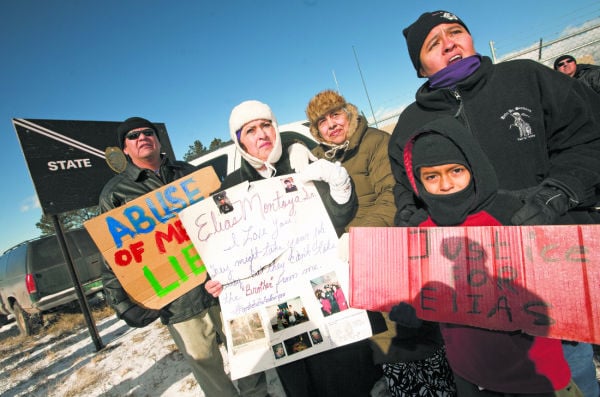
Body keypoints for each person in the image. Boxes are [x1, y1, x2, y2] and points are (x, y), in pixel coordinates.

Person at [389, 10, 600, 397]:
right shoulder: (409, 123)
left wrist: (559, 192)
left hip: (552, 268)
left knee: (571, 375)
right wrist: (409, 219)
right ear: (420, 67)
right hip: (474, 295)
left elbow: (589, 139)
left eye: (455, 32)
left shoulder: (526, 78)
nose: (449, 42)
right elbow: (406, 189)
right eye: (433, 44)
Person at [205, 99, 384, 397]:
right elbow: (221, 249)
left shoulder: (301, 164)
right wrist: (215, 280)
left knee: (348, 373)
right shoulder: (231, 190)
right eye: (251, 130)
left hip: (322, 290)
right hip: (278, 304)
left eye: (266, 125)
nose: (262, 134)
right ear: (239, 140)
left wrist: (338, 186)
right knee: (301, 376)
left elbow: (339, 215)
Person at [394, 116, 582, 396]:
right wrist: (412, 304)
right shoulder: (421, 230)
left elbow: (565, 279)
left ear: (474, 166)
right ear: (418, 182)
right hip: (470, 375)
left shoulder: (513, 214)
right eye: (432, 176)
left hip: (537, 376)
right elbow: (420, 285)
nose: (446, 184)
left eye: (456, 170)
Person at [99, 116, 268, 397]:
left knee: (250, 352)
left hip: (222, 285)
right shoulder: (116, 194)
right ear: (125, 149)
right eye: (133, 136)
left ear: (158, 139)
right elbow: (111, 254)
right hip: (179, 302)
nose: (142, 137)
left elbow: (224, 215)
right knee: (209, 371)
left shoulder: (190, 173)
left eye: (147, 132)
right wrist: (122, 303)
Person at [306, 89, 455, 396]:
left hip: (386, 251)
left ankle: (441, 387)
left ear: (349, 113)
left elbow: (391, 196)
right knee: (381, 340)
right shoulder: (317, 161)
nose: (331, 124)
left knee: (410, 332)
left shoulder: (374, 143)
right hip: (347, 264)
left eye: (336, 114)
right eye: (322, 121)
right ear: (315, 130)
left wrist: (354, 234)